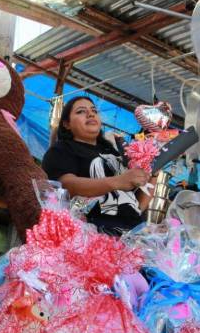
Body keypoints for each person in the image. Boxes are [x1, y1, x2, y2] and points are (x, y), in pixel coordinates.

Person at [41, 95, 154, 235]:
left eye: (94, 110)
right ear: (66, 124)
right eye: (81, 111)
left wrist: (153, 170)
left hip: (132, 236)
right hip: (91, 236)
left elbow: (136, 205)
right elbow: (66, 186)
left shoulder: (114, 153)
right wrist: (117, 181)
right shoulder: (61, 150)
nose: (90, 113)